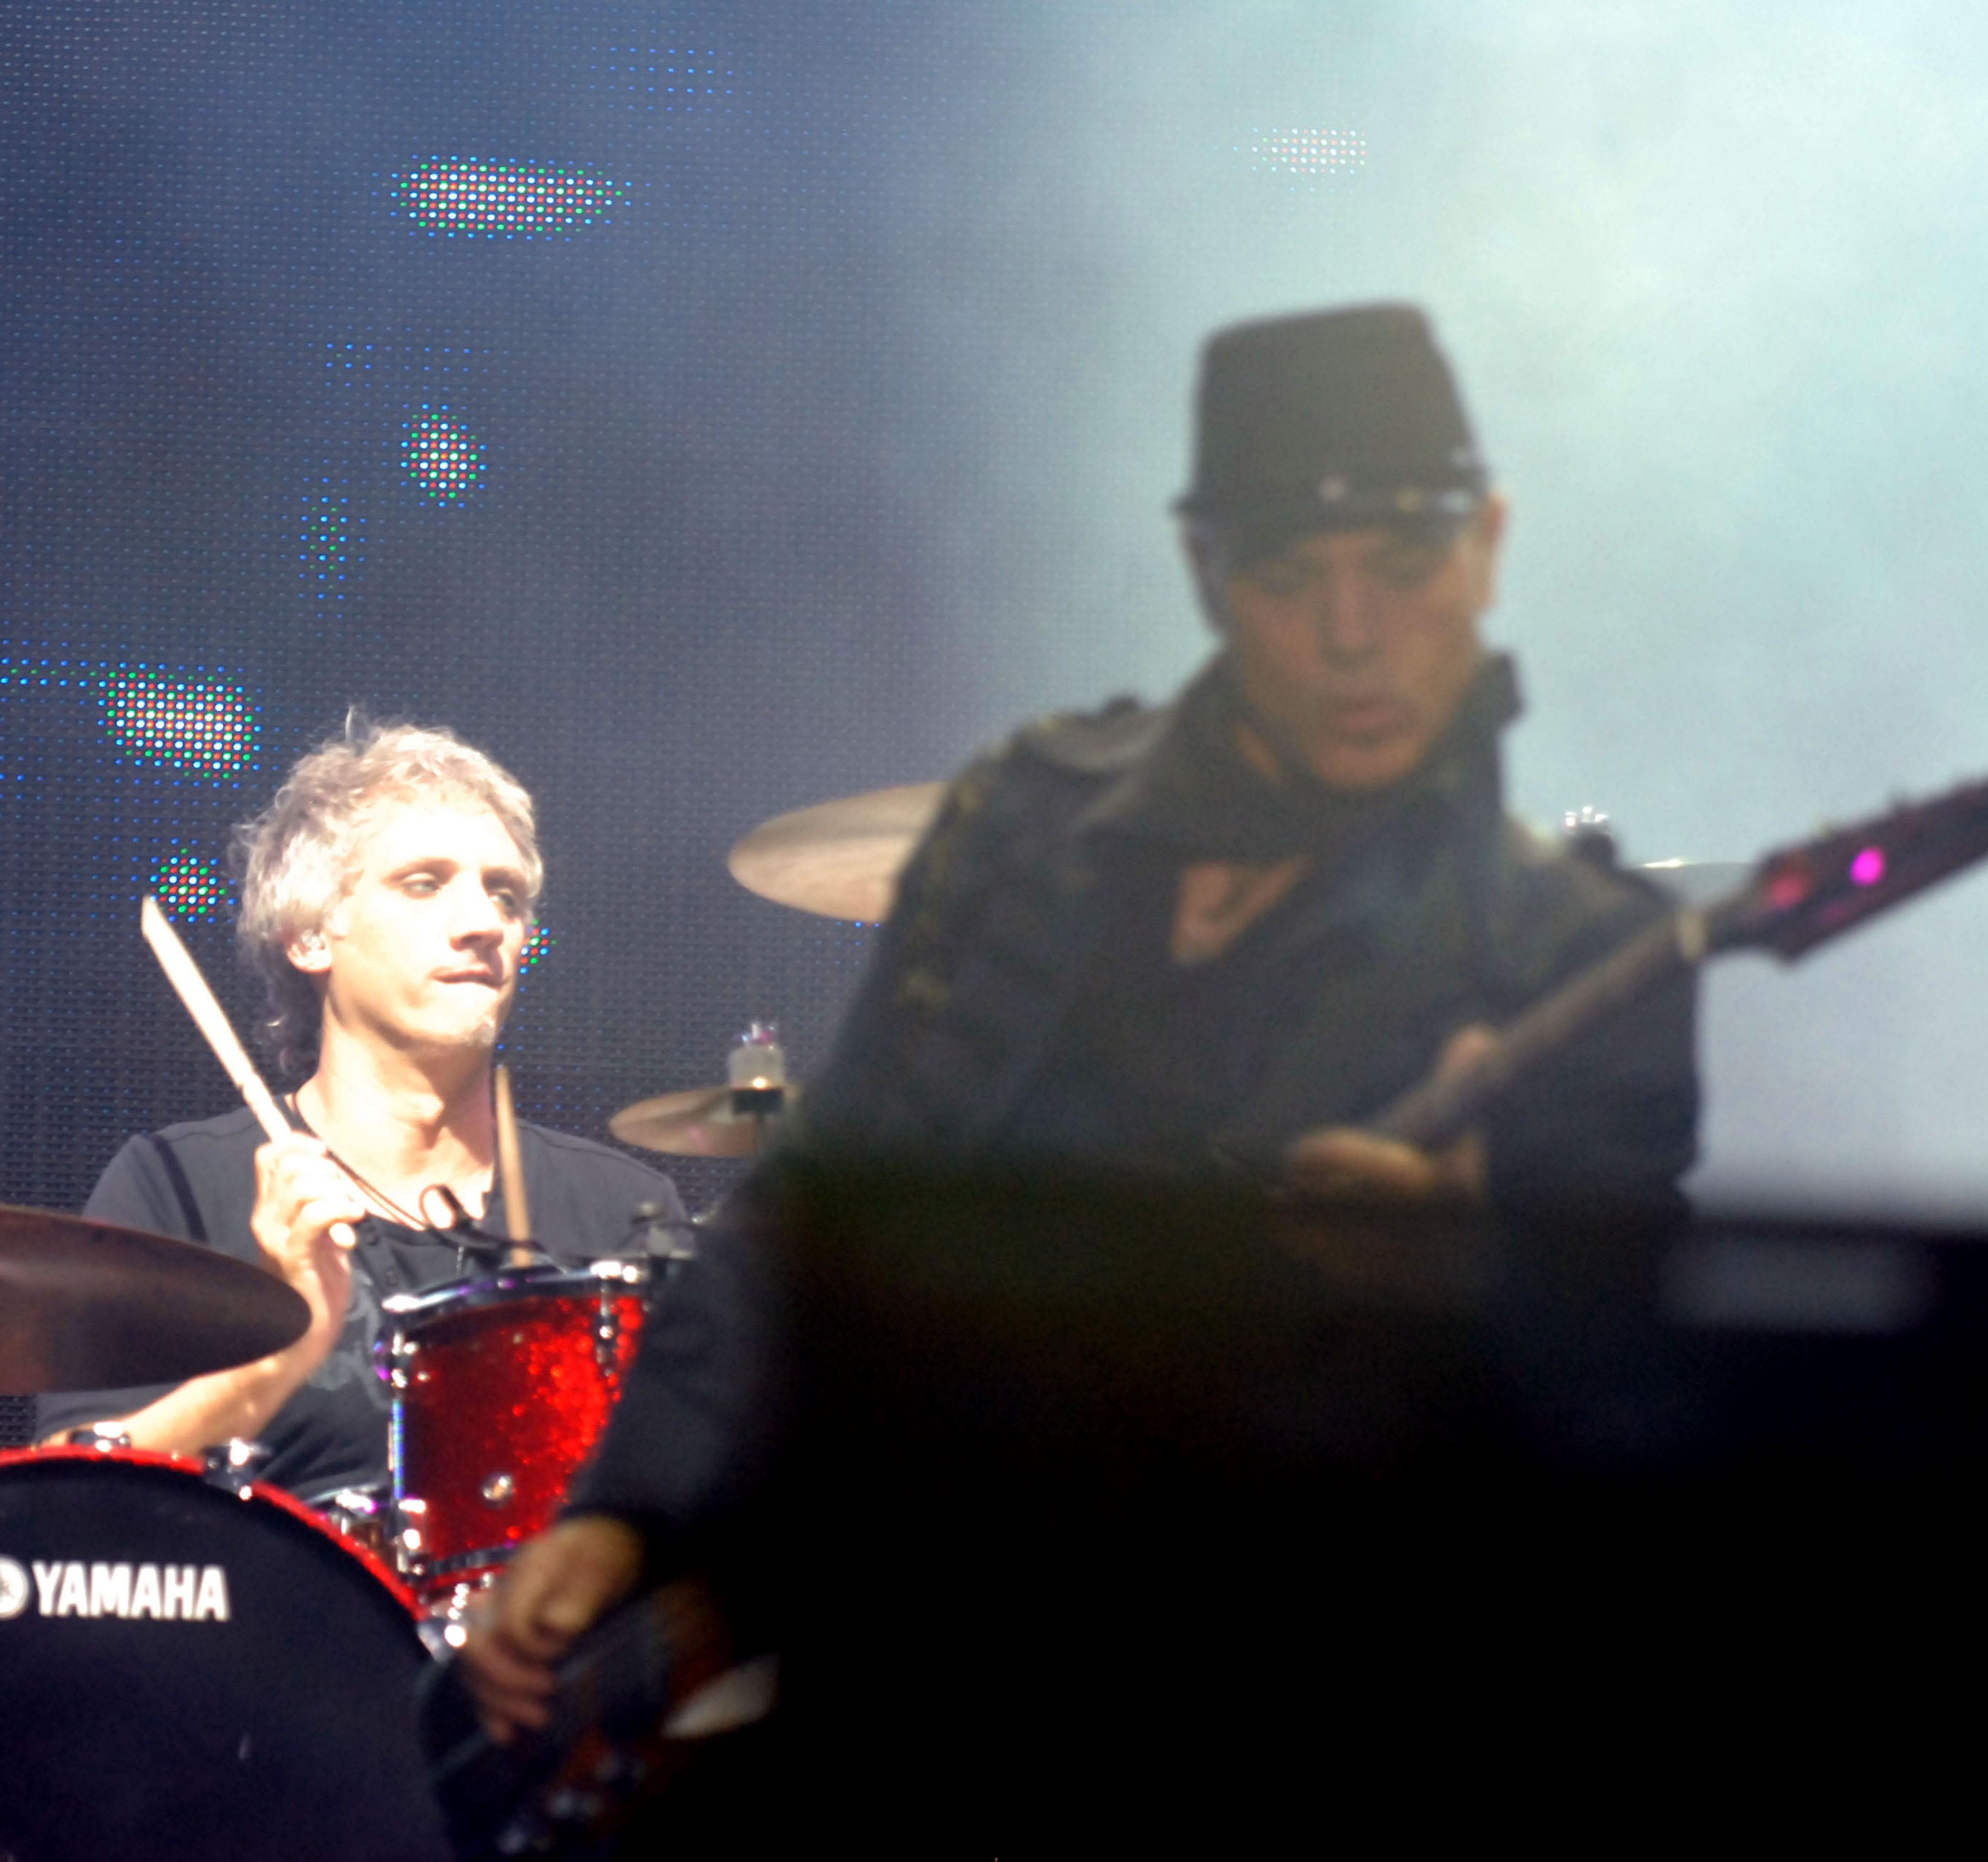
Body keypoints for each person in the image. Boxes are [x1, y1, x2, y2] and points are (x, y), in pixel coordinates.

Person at [455, 302, 1702, 1737]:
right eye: (1294, 579)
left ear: (1485, 550)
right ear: (1205, 572)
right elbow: (822, 1210)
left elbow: (1617, 1413)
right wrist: (627, 1515)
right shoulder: (1034, 828)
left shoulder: (1569, 956)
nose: (1355, 636)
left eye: (1405, 569)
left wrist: (1443, 1279)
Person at [35, 720, 685, 1506]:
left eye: (504, 894)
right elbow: (62, 1500)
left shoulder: (619, 1216)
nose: (483, 923)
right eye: (423, 883)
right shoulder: (178, 1186)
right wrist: (278, 1358)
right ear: (310, 935)